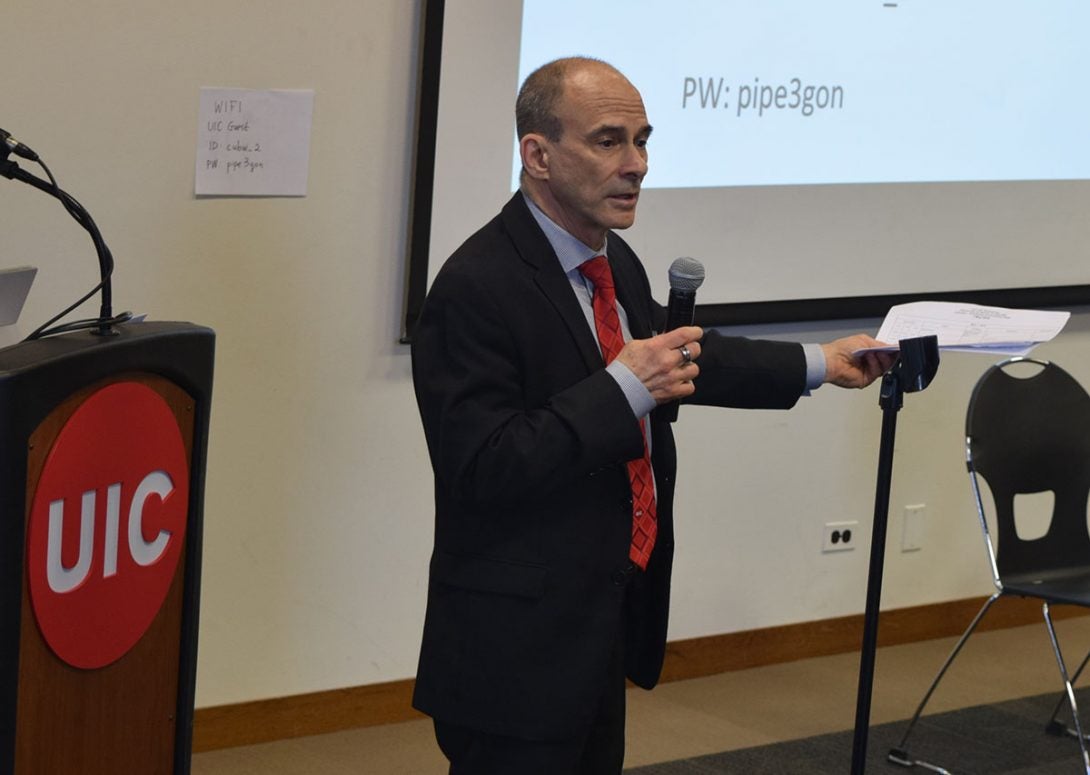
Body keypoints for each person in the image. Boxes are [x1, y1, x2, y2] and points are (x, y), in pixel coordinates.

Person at [410, 56, 893, 774]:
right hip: (512, 647)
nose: (636, 165)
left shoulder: (618, 265)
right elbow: (482, 465)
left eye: (643, 140)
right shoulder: (475, 286)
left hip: (597, 621)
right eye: (609, 140)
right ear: (537, 155)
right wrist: (621, 388)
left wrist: (823, 361)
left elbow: (682, 359)